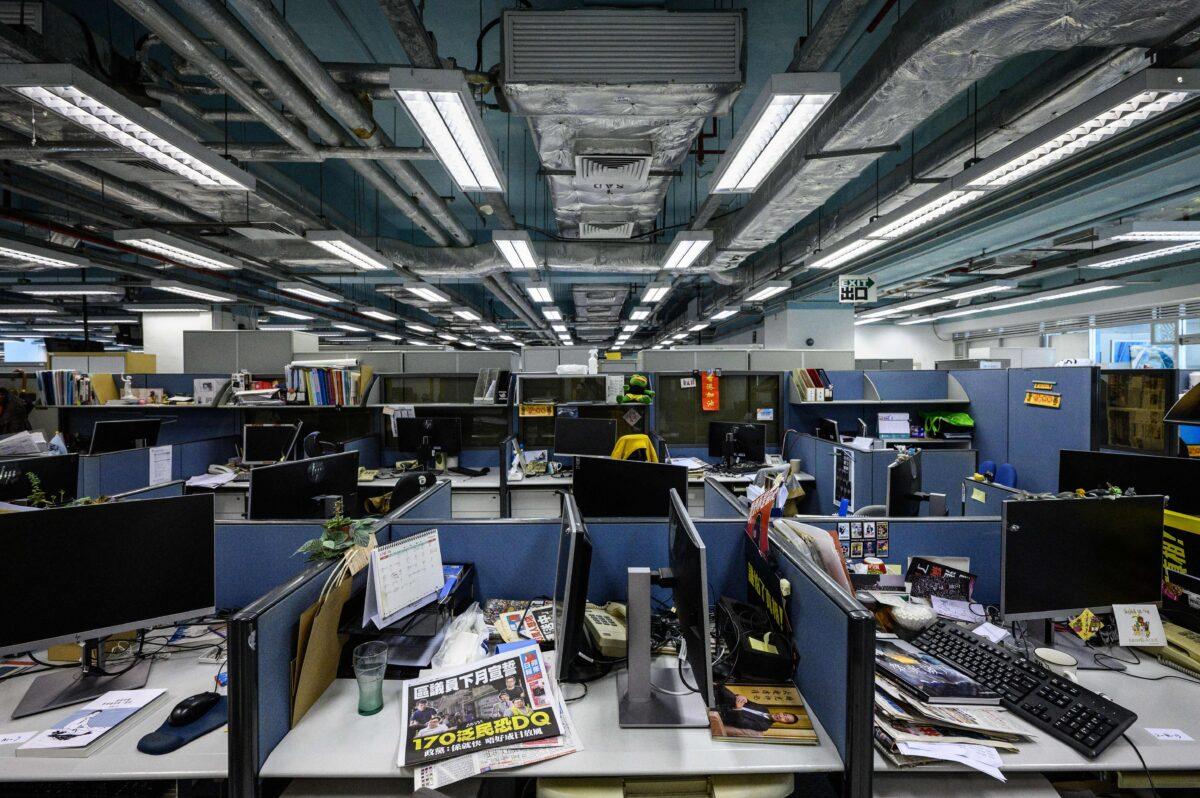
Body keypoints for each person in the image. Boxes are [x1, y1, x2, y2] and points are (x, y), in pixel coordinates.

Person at [715, 685, 797, 734]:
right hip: (727, 701)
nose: (781, 716)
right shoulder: (764, 708)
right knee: (720, 686)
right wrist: (741, 696)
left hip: (725, 713)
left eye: (786, 719)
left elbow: (741, 722)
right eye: (785, 715)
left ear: (784, 723)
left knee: (719, 690)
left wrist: (738, 708)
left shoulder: (765, 726)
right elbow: (747, 702)